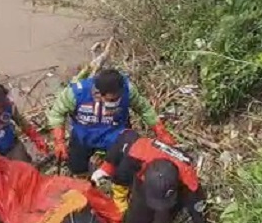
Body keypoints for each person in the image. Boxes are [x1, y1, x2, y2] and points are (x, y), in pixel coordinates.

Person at [89, 129, 219, 223]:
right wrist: (106, 168)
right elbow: (124, 138)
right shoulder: (139, 151)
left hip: (173, 191)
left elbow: (202, 220)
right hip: (144, 185)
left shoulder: (189, 182)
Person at [46, 68, 176, 180]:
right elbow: (57, 113)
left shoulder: (128, 90)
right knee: (76, 166)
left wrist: (160, 131)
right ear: (98, 93)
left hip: (116, 135)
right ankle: (86, 182)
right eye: (111, 99)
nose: (115, 102)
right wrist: (59, 141)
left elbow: (144, 109)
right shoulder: (75, 93)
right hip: (84, 135)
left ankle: (116, 184)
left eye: (118, 97)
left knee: (125, 169)